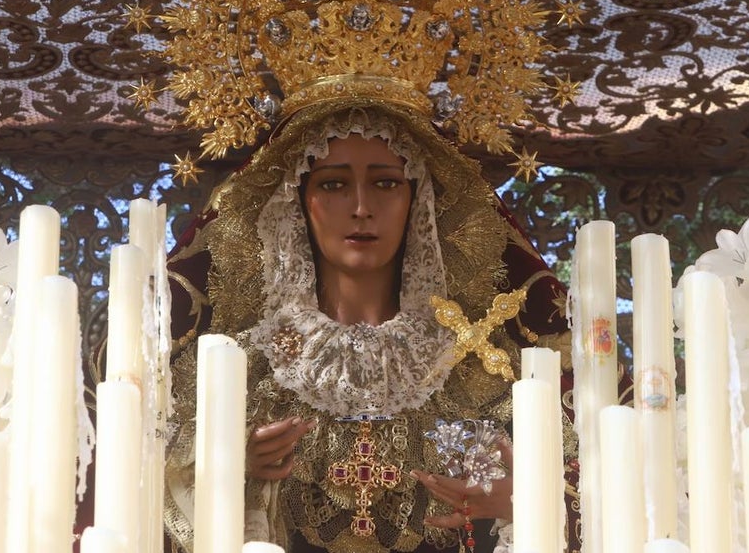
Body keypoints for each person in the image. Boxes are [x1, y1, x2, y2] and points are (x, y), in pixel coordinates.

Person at [162, 98, 578, 553]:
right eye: (334, 184)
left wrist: (524, 503)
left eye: (385, 183)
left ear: (417, 200)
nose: (361, 207)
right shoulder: (244, 368)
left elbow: (580, 488)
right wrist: (224, 462)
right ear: (296, 202)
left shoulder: (474, 367)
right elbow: (148, 482)